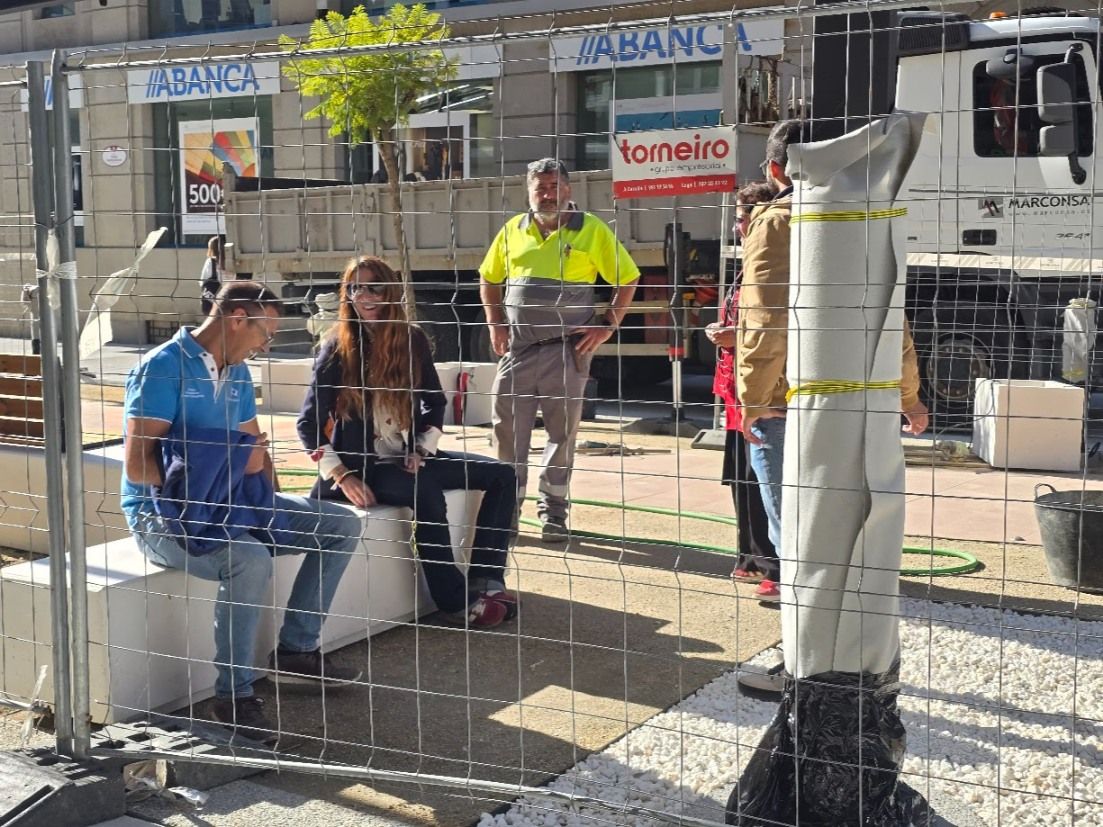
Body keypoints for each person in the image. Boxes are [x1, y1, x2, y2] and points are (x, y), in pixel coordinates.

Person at [121, 281, 363, 744]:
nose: (264, 345)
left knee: (339, 525)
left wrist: (268, 506)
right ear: (236, 320)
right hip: (163, 516)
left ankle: (295, 651)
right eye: (263, 334)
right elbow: (139, 467)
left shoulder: (236, 373)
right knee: (249, 560)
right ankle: (233, 697)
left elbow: (254, 450)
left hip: (233, 504)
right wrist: (229, 464)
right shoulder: (162, 369)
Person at [737, 120, 930, 572]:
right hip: (863, 392)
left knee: (794, 527)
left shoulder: (777, 222)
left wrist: (754, 397)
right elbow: (891, 314)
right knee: (851, 522)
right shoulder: (869, 213)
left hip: (790, 397)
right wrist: (909, 396)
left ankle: (808, 627)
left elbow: (767, 318)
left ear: (776, 170)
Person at [298, 256, 519, 629]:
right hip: (364, 468)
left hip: (408, 456)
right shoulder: (336, 346)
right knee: (427, 492)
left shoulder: (412, 338)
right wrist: (343, 476)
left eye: (373, 287)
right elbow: (308, 424)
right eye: (355, 288)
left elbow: (435, 402)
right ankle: (456, 602)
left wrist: (421, 449)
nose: (363, 295)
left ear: (391, 291)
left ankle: (486, 580)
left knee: (502, 475)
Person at [480, 158, 640, 543]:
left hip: (566, 353)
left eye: (554, 186)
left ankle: (553, 513)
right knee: (507, 434)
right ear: (529, 193)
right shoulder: (512, 230)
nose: (547, 194)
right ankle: (507, 511)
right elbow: (488, 279)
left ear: (568, 190)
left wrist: (608, 326)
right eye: (540, 188)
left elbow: (628, 278)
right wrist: (495, 323)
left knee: (561, 435)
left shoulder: (591, 230)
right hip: (517, 353)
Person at [705, 180, 781, 602]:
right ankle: (749, 557)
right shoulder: (748, 265)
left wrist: (739, 336)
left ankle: (773, 564)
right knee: (741, 479)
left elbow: (772, 323)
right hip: (736, 391)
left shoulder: (772, 261)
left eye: (741, 217)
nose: (737, 226)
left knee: (763, 480)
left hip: (760, 393)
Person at [199, 235, 223, 316]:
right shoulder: (229, 261)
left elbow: (202, 280)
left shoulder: (210, 262)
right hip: (225, 299)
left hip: (210, 300)